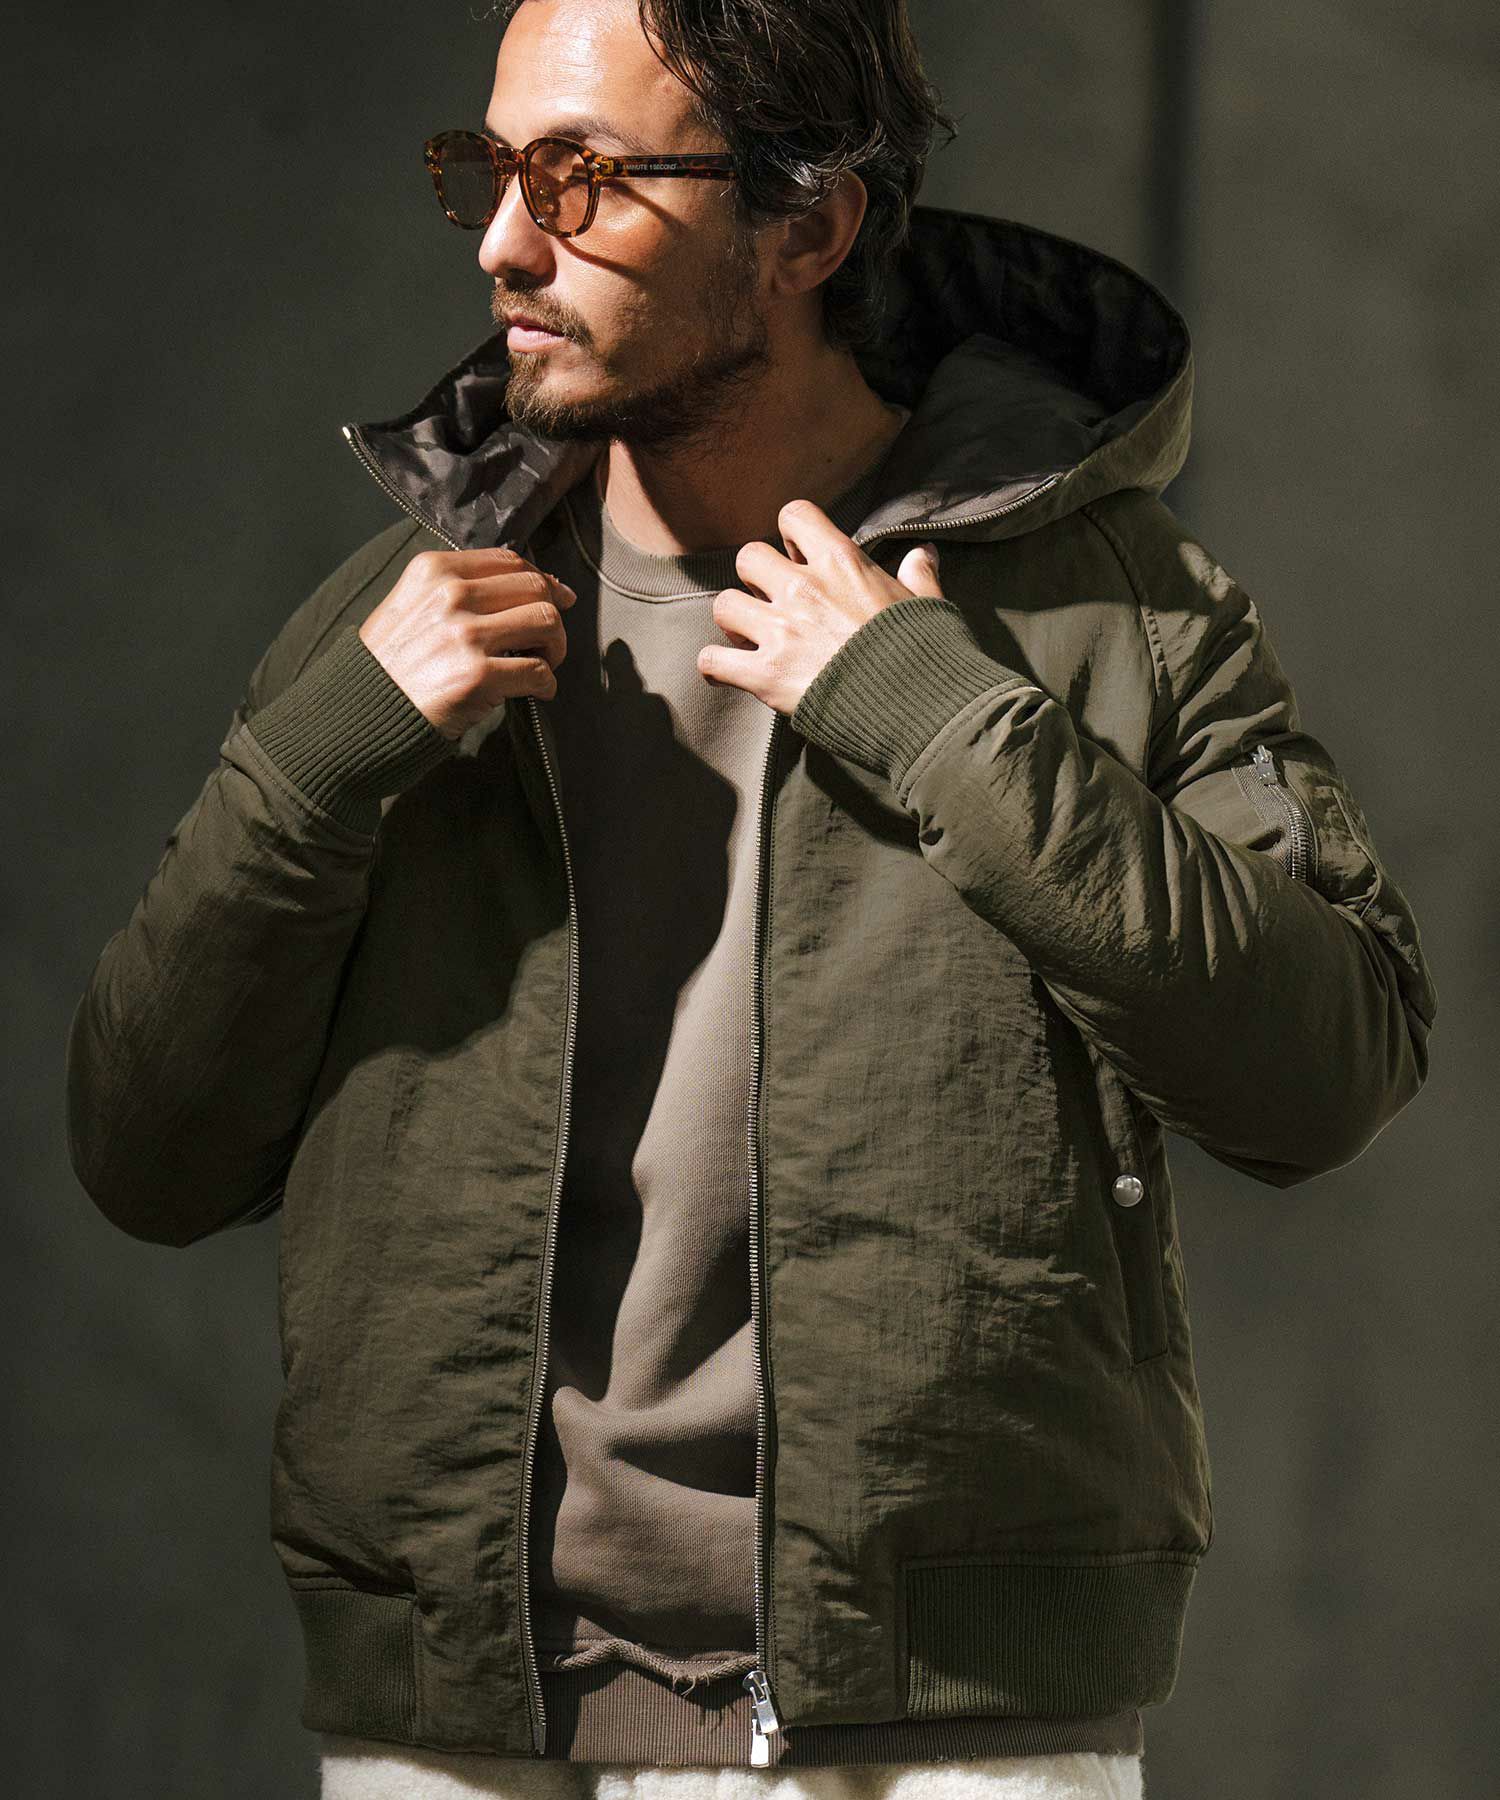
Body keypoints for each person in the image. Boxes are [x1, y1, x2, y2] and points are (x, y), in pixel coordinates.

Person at [65, 1, 1438, 1797]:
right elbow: (146, 1154)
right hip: (460, 1720)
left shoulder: (1111, 606)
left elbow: (1325, 1071)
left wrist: (944, 718)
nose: (503, 243)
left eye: (580, 178)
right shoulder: (399, 629)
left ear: (806, 227)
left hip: (945, 1727)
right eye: (490, 171)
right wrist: (316, 764)